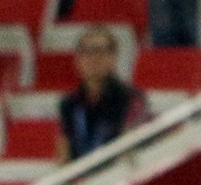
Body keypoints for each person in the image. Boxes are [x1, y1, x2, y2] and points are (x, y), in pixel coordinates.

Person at [57, 26, 146, 162]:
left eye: (100, 51)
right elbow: (63, 156)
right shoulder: (69, 103)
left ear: (114, 58)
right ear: (78, 60)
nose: (94, 58)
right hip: (81, 172)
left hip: (115, 171)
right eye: (87, 51)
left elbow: (129, 148)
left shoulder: (131, 98)